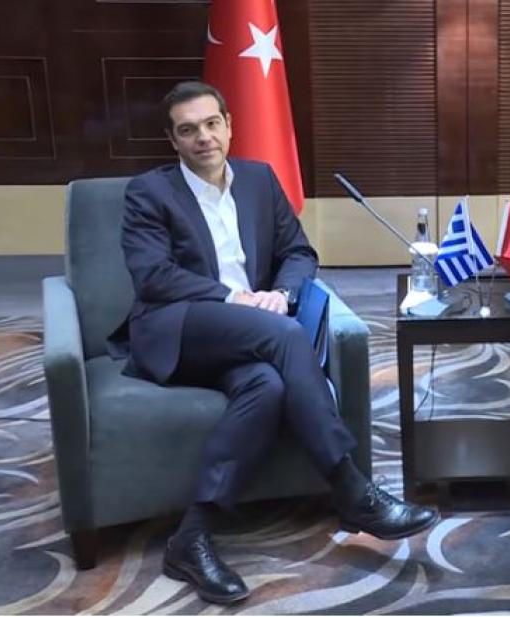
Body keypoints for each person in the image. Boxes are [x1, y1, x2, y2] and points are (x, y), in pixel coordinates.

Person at [107, 81, 439, 605]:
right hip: (178, 327)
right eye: (188, 130)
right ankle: (350, 486)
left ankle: (191, 536)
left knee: (266, 386)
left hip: (249, 333)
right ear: (173, 140)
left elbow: (299, 253)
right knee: (284, 334)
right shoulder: (150, 192)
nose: (203, 137)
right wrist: (235, 298)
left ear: (229, 125)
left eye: (211, 124)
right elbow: (153, 276)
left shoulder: (259, 180)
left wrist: (281, 293)